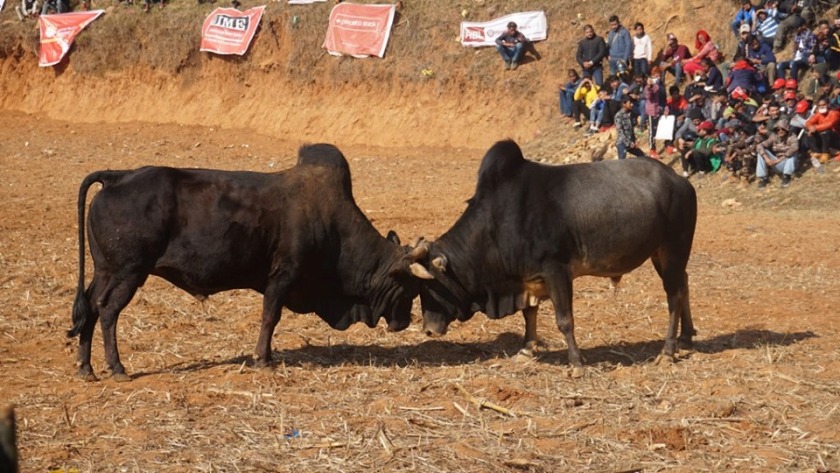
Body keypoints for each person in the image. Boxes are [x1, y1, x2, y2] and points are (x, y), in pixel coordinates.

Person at [756, 118, 798, 188]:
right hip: (777, 164)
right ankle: (763, 178)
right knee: (761, 152)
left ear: (787, 129)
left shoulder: (792, 137)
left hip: (789, 163)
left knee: (793, 153)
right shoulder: (774, 136)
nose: (780, 131)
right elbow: (759, 146)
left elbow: (794, 148)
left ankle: (787, 176)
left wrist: (777, 161)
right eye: (778, 129)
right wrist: (767, 159)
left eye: (783, 129)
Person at [803, 97, 840, 163]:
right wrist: (810, 127)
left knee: (825, 132)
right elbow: (808, 122)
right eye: (820, 105)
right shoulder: (818, 114)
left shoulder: (835, 113)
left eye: (824, 105)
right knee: (807, 132)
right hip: (823, 137)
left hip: (836, 137)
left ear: (828, 105)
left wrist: (815, 128)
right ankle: (816, 152)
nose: (822, 107)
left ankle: (825, 153)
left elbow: (830, 124)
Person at [644, 75, 662, 157]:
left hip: (658, 110)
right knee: (652, 131)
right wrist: (649, 87)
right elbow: (648, 96)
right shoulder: (646, 88)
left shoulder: (657, 87)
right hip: (651, 112)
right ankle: (652, 149)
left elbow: (657, 90)